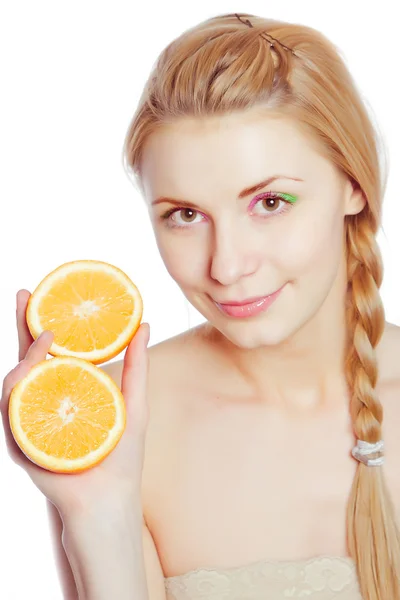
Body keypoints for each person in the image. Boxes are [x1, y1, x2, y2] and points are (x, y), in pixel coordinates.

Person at [2, 11, 400, 600]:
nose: (227, 266)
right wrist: (98, 513)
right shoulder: (122, 424)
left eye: (270, 202)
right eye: (185, 215)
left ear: (353, 185)